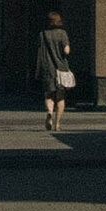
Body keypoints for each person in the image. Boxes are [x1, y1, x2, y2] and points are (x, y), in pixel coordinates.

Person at [36, 8, 75, 136]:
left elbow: (40, 50)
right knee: (60, 96)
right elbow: (67, 51)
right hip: (61, 68)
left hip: (47, 68)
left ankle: (49, 112)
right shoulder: (62, 34)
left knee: (49, 94)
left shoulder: (43, 34)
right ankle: (58, 124)